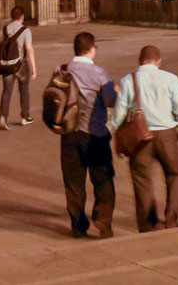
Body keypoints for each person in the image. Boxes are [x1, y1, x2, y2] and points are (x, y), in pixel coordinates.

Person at [110, 45, 178, 232]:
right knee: (176, 174)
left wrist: (111, 129)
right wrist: (174, 120)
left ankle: (148, 224)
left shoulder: (129, 80)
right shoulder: (170, 78)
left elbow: (119, 113)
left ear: (139, 61)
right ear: (159, 61)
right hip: (166, 135)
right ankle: (171, 218)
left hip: (140, 138)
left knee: (142, 180)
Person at [61, 31, 117, 238]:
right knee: (102, 179)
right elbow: (111, 100)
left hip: (68, 135)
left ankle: (78, 225)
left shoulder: (62, 70)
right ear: (92, 50)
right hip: (95, 135)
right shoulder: (100, 74)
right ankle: (103, 221)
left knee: (74, 182)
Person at [0, 6, 37, 130]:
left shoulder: (4, 30)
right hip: (21, 65)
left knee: (6, 91)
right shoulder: (25, 30)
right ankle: (25, 117)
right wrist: (34, 68)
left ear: (11, 16)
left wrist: (0, 62)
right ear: (22, 17)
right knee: (24, 90)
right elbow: (29, 49)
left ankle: (3, 117)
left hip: (7, 65)